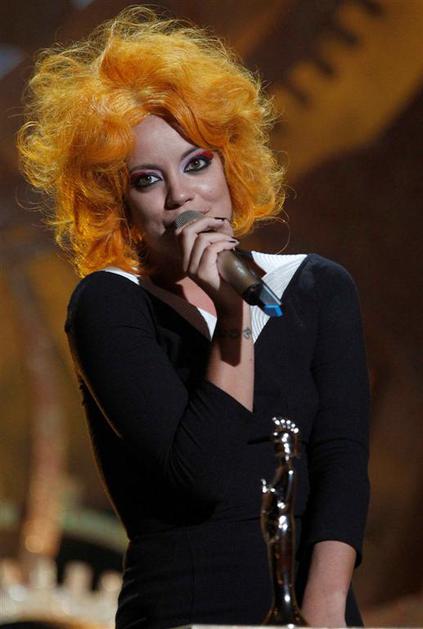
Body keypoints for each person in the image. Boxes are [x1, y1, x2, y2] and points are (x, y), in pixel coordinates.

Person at [17, 7, 370, 628]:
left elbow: (341, 459)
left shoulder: (318, 288)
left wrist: (324, 609)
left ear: (230, 163)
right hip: (185, 612)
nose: (182, 196)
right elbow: (202, 474)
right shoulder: (108, 304)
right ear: (118, 206)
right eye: (147, 180)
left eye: (197, 162)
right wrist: (233, 316)